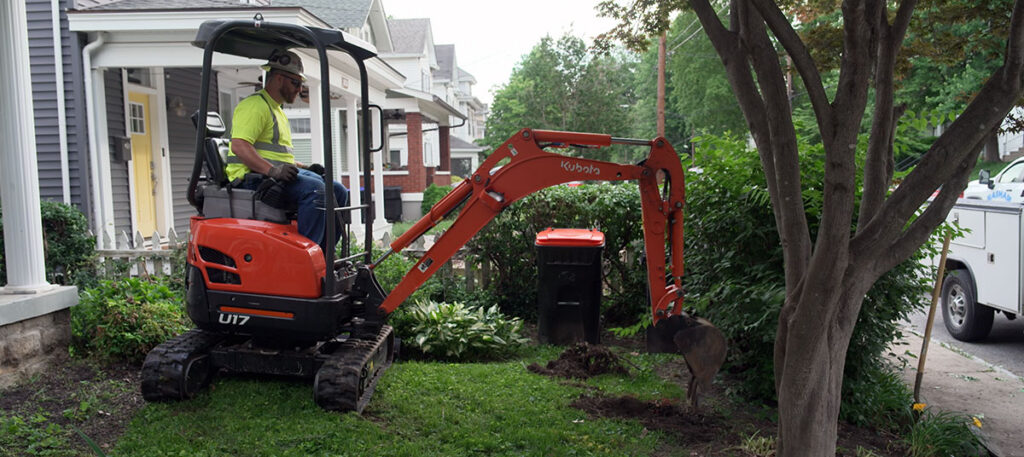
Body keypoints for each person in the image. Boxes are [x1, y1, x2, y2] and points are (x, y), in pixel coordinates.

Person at [226, 49, 348, 255]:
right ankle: (305, 258)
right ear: (279, 78)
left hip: (272, 175)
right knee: (316, 190)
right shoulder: (255, 106)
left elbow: (279, 156)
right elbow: (239, 146)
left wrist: (305, 167)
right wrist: (273, 171)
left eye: (301, 84)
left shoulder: (277, 110)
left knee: (337, 190)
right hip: (252, 178)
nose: (299, 89)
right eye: (296, 83)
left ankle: (326, 256)